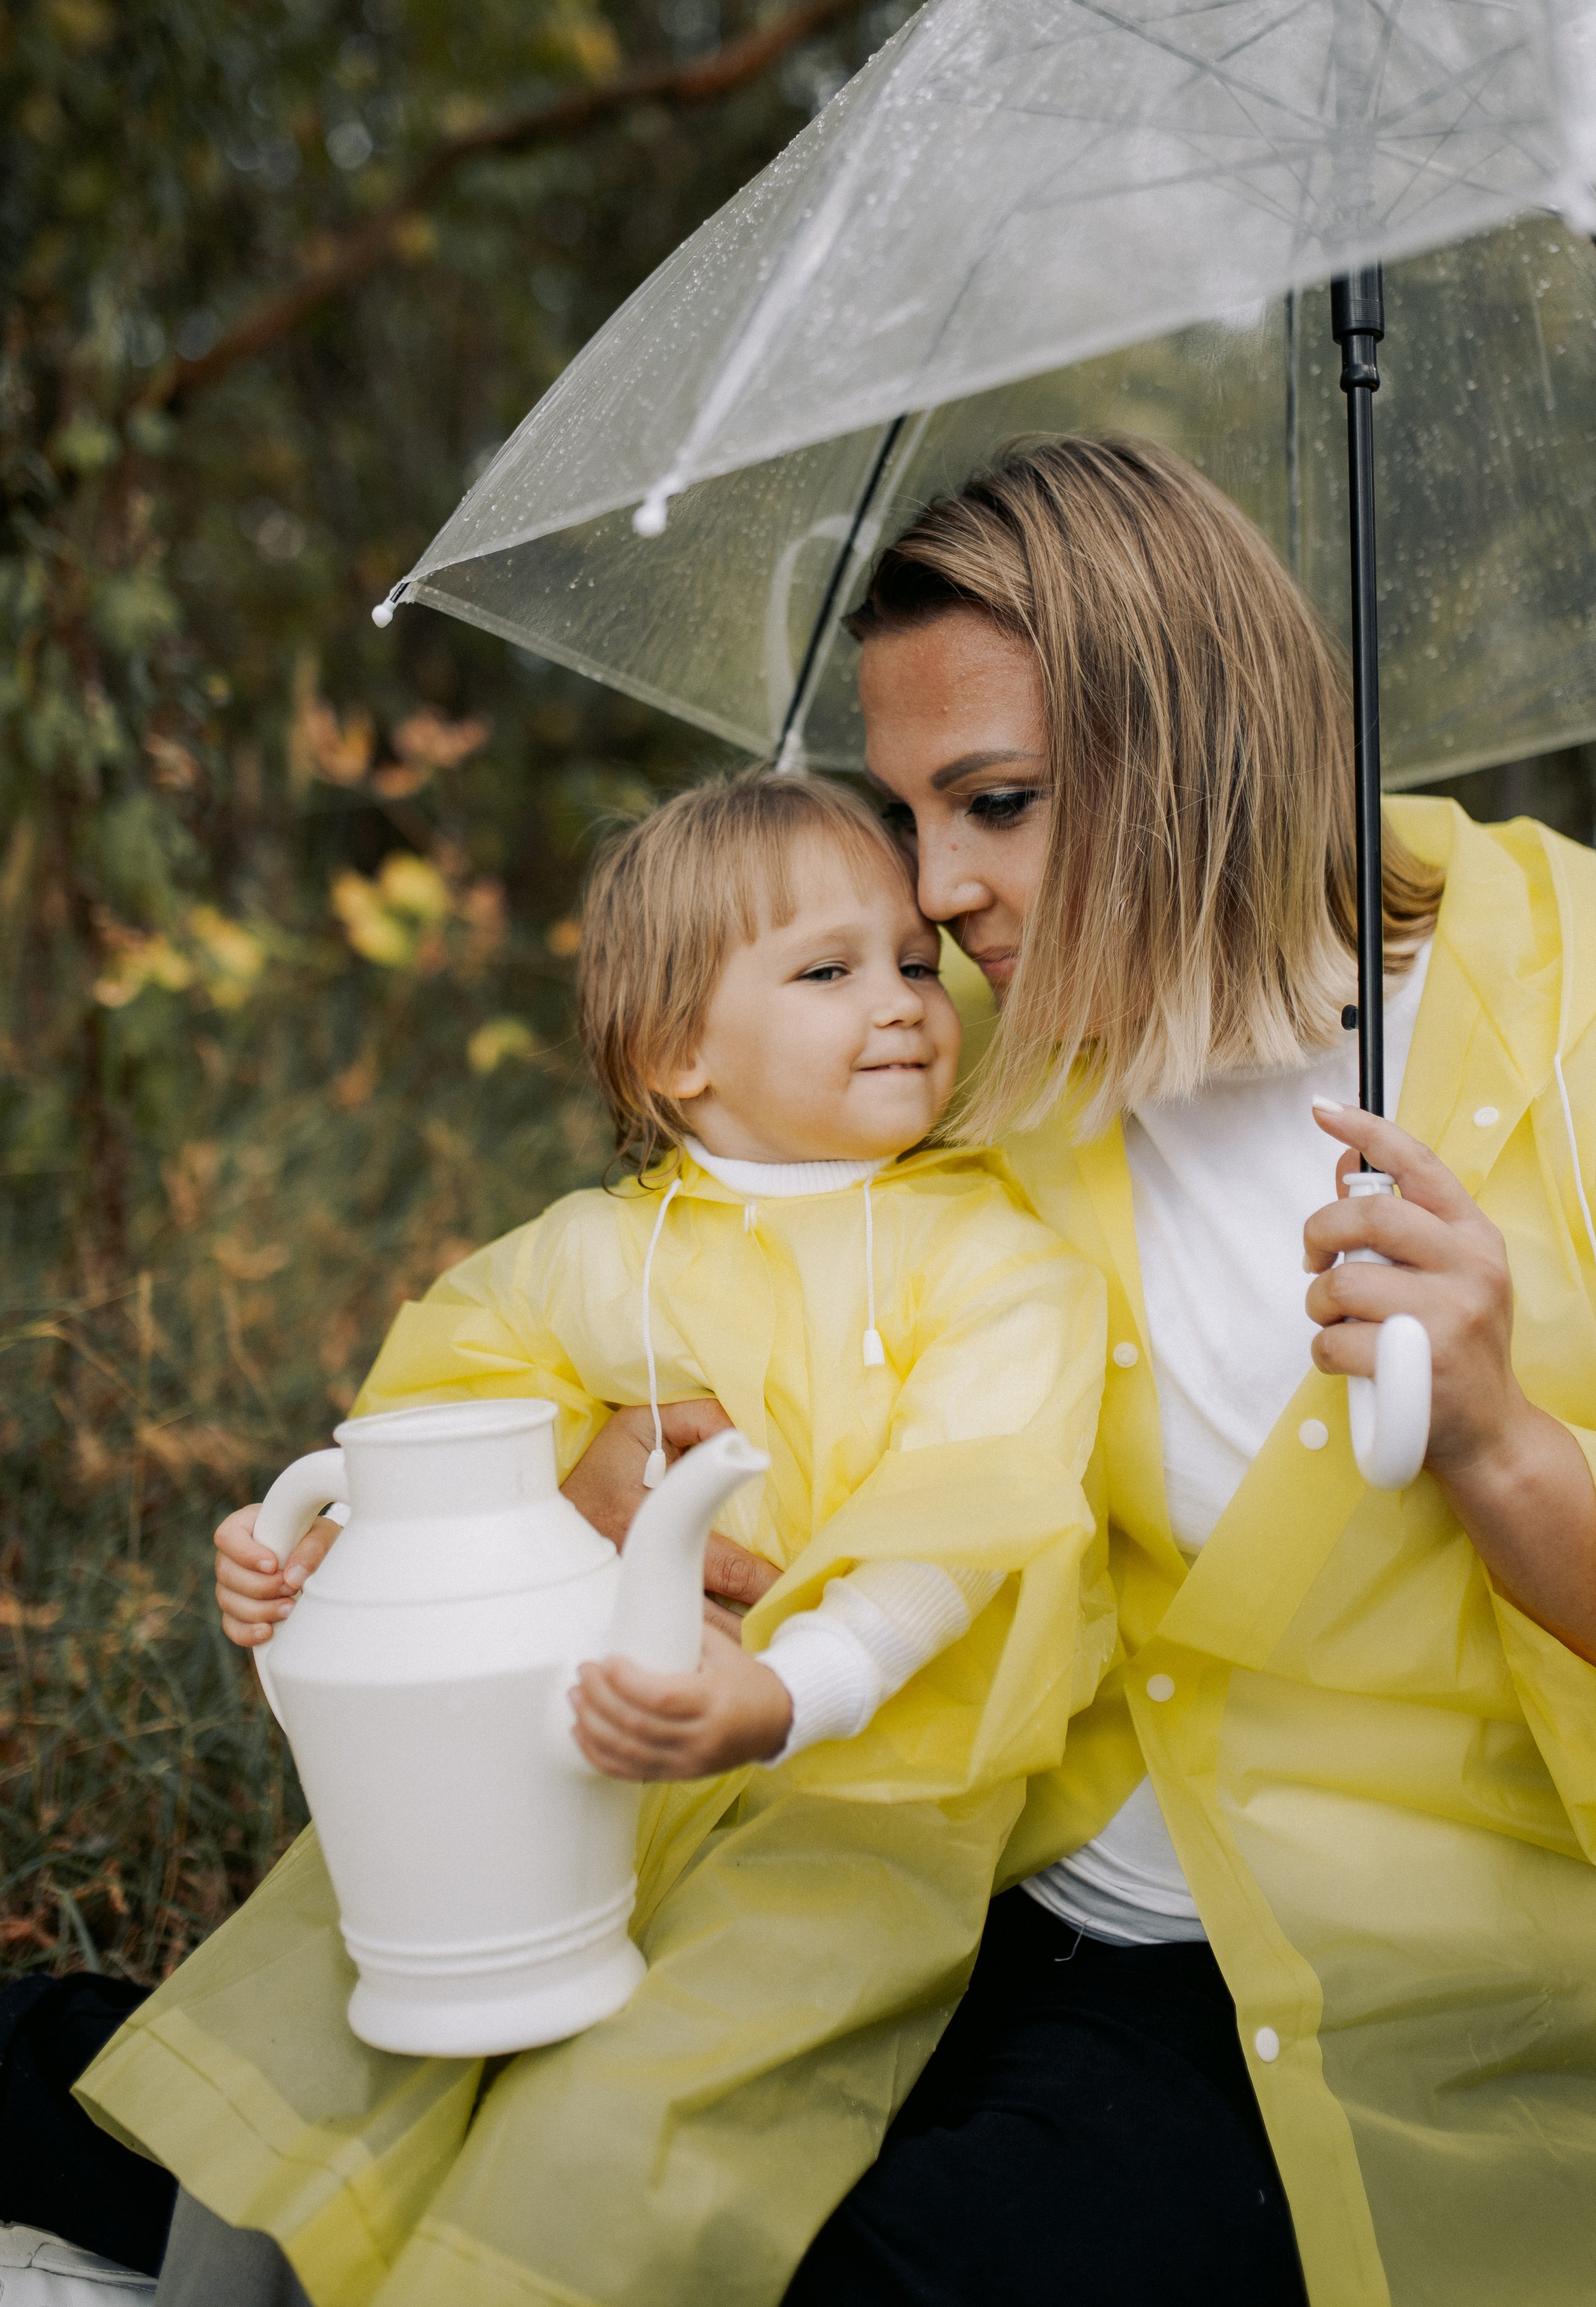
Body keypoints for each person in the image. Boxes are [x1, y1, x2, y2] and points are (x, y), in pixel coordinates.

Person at [446, 433, 1596, 2307]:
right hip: (979, 1879)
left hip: (1409, 1989)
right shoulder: (973, 1050)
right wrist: (607, 1464)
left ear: (1204, 748)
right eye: (910, 816)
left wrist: (1498, 1438)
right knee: (518, 2154)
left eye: (997, 802)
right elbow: (709, 1253)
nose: (936, 889)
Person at [79, 769, 1110, 2307]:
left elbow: (964, 1520)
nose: (902, 1000)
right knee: (335, 2008)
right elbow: (442, 1429)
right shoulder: (592, 1257)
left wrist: (792, 1690)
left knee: (646, 2096)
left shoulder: (993, 1262)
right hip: (550, 1742)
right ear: (675, 1051)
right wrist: (325, 1548)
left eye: (913, 960)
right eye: (828, 972)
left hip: (853, 1783)